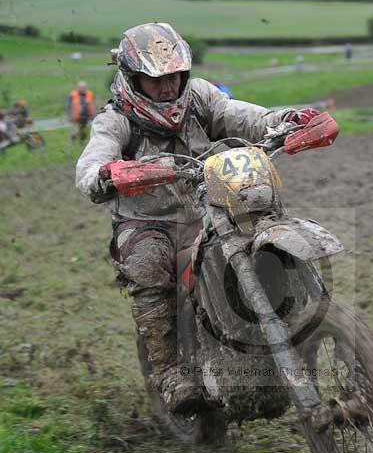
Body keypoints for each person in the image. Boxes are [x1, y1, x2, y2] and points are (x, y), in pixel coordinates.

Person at [75, 22, 320, 412]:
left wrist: (287, 120)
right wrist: (106, 173)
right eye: (156, 80)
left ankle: (297, 326)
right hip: (148, 223)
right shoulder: (114, 120)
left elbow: (241, 115)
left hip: (208, 209)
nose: (168, 87)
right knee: (148, 263)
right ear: (132, 80)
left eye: (174, 76)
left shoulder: (200, 97)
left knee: (261, 230)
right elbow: (92, 161)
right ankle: (169, 370)